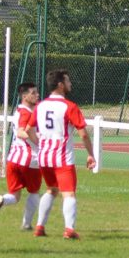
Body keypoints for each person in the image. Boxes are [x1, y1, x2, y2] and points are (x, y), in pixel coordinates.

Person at [26, 69, 95, 240]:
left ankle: (40, 226)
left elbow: (28, 130)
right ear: (60, 85)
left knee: (51, 190)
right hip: (62, 158)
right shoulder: (69, 107)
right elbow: (84, 134)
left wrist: (40, 143)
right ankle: (69, 229)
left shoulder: (40, 106)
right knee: (69, 193)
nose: (70, 84)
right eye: (68, 81)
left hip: (44, 157)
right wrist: (91, 154)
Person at [0, 82, 41, 230]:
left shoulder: (19, 110)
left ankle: (1, 199)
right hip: (29, 160)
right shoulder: (26, 113)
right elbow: (20, 132)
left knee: (15, 196)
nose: (37, 95)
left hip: (13, 159)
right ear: (24, 96)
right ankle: (26, 224)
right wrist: (39, 141)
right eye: (33, 93)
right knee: (34, 193)